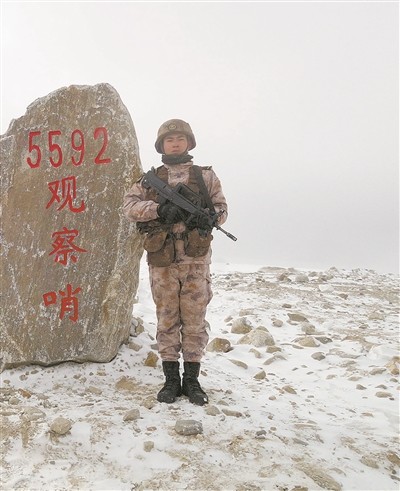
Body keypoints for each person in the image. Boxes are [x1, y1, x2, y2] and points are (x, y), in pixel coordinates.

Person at [123, 119, 228, 406]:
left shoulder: (205, 176)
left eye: (181, 138)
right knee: (167, 318)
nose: (176, 143)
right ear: (161, 145)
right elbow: (129, 207)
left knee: (194, 321)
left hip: (195, 260)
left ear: (189, 142)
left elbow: (221, 208)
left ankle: (192, 380)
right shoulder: (150, 179)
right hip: (163, 260)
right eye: (170, 139)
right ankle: (171, 380)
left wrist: (208, 217)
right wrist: (159, 209)